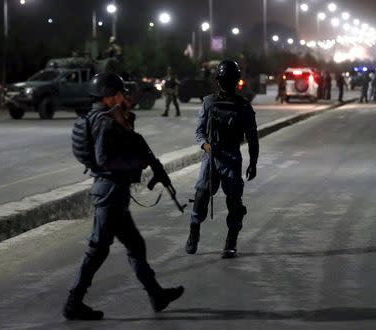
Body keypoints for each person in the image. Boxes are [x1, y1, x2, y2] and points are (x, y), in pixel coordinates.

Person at [64, 73, 184, 321]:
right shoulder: (105, 121)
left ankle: (156, 294)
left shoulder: (106, 117)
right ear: (109, 95)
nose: (124, 96)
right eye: (119, 93)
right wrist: (137, 163)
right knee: (98, 250)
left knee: (135, 245)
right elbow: (105, 159)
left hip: (112, 192)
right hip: (110, 193)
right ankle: (73, 302)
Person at [185, 60, 259, 259]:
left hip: (232, 157)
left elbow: (252, 137)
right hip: (211, 156)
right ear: (218, 81)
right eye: (223, 80)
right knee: (201, 197)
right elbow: (199, 132)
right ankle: (194, 231)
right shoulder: (209, 102)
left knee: (234, 202)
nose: (226, 83)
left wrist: (254, 162)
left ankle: (231, 241)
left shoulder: (243, 106)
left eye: (229, 80)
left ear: (235, 81)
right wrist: (205, 145)